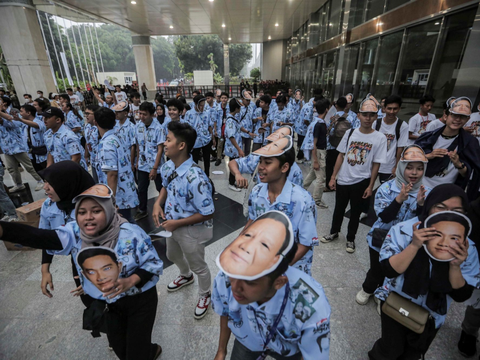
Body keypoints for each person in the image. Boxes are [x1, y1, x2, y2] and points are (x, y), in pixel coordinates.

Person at [0, 184, 164, 360]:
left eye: (96, 211)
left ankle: (147, 352)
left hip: (139, 301)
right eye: (82, 212)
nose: (88, 218)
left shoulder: (131, 234)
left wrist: (130, 281)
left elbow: (153, 263)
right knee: (120, 349)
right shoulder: (75, 232)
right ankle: (150, 351)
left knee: (135, 353)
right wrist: (4, 230)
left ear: (109, 211)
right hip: (108, 304)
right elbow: (42, 237)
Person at [368, 185, 480, 359]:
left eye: (456, 210)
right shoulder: (405, 230)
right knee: (389, 349)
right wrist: (414, 245)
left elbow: (461, 295)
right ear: (429, 206)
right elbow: (388, 270)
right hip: (395, 302)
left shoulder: (467, 247)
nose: (448, 214)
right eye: (441, 207)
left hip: (431, 315)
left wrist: (456, 265)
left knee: (413, 353)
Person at [212, 211, 331, 360]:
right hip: (247, 341)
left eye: (250, 280)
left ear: (278, 282)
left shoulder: (312, 306)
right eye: (235, 273)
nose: (235, 287)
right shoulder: (225, 276)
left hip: (289, 350)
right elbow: (226, 312)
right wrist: (221, 350)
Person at [152, 121, 214, 319]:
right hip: (171, 224)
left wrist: (177, 224)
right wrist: (157, 203)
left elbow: (208, 212)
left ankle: (205, 294)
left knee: (199, 266)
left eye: (168, 140)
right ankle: (185, 275)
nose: (165, 143)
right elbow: (165, 186)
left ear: (181, 145)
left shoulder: (196, 178)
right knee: (172, 254)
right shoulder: (168, 166)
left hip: (190, 229)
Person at [356, 145, 430, 310]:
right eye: (409, 167)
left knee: (393, 271)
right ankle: (367, 289)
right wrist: (398, 200)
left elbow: (423, 221)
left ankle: (382, 294)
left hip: (405, 243)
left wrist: (420, 205)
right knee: (376, 268)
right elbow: (383, 216)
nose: (414, 172)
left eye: (419, 168)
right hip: (380, 238)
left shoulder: (426, 192)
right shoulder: (387, 188)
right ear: (402, 167)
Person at [322, 96, 388, 253]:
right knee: (338, 208)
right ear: (358, 115)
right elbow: (341, 155)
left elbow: (376, 164)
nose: (368, 118)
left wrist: (371, 185)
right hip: (344, 179)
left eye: (371, 115)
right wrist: (333, 177)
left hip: (362, 181)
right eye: (365, 114)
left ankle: (350, 238)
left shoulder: (379, 138)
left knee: (355, 212)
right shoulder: (350, 133)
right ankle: (334, 232)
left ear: (376, 116)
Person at [247, 137, 318, 275]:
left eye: (267, 163)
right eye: (260, 161)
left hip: (291, 269)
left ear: (284, 167)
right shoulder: (256, 192)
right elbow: (252, 220)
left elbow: (305, 243)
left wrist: (277, 270)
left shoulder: (303, 200)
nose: (260, 167)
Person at [37, 161, 95, 301]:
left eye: (51, 183)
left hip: (101, 261)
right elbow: (47, 238)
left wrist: (95, 277)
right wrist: (45, 270)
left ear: (66, 184)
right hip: (78, 261)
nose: (45, 188)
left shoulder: (95, 206)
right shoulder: (49, 205)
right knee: (89, 301)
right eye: (45, 182)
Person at [416, 97, 480, 200]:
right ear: (446, 116)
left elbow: (470, 174)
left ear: (468, 119)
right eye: (454, 115)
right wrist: (428, 155)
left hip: (445, 194)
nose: (457, 120)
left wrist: (458, 164)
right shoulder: (428, 136)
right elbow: (409, 160)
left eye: (462, 117)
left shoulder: (469, 143)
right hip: (419, 189)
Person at [95, 107, 139, 223]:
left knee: (124, 223)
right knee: (127, 221)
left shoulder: (107, 144)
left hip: (118, 195)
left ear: (96, 122)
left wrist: (111, 200)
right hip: (123, 191)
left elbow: (112, 173)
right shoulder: (115, 137)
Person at [0, 98, 44, 192]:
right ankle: (19, 184)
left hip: (17, 146)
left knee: (29, 166)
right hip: (7, 147)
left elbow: (9, 119)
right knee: (11, 168)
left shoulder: (13, 114)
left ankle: (40, 180)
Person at [134, 102, 165, 221]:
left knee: (160, 187)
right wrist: (137, 161)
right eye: (140, 113)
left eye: (144, 114)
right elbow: (138, 144)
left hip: (156, 165)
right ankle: (142, 210)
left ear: (152, 115)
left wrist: (155, 168)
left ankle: (164, 206)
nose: (141, 116)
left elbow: (160, 149)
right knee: (142, 188)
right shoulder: (138, 126)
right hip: (142, 164)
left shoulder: (158, 128)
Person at [373, 95, 409, 183]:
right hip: (373, 163)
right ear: (384, 108)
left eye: (395, 109)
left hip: (388, 166)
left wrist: (396, 167)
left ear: (399, 109)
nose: (392, 112)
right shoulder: (376, 123)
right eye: (389, 108)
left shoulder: (402, 126)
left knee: (385, 190)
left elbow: (400, 148)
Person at [303, 100, 330, 209]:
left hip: (318, 152)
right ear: (327, 109)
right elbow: (313, 144)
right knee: (321, 178)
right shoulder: (319, 125)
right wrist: (315, 160)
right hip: (319, 152)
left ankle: (301, 189)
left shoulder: (316, 122)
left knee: (312, 174)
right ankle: (317, 200)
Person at [225, 98, 254, 191]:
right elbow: (231, 136)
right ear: (236, 108)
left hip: (236, 148)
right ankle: (231, 183)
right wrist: (239, 149)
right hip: (233, 149)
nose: (241, 109)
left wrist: (248, 132)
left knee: (235, 164)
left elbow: (239, 126)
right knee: (233, 164)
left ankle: (234, 181)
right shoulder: (230, 121)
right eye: (239, 107)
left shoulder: (234, 118)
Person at [184, 95, 214, 177]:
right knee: (194, 160)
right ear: (195, 104)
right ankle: (195, 176)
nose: (202, 107)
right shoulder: (189, 114)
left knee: (207, 159)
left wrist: (213, 138)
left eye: (203, 105)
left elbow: (209, 126)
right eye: (200, 105)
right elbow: (186, 129)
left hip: (206, 140)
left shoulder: (206, 113)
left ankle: (207, 176)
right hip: (195, 142)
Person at [14, 104, 48, 173]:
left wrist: (20, 119)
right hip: (32, 155)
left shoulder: (38, 121)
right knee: (40, 173)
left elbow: (37, 125)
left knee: (48, 173)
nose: (20, 114)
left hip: (42, 155)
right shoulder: (25, 124)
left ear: (29, 113)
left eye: (21, 111)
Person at [83, 105, 100, 183]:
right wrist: (86, 156)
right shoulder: (87, 126)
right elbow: (87, 141)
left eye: (88, 113)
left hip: (101, 160)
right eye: (85, 113)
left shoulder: (100, 127)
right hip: (93, 160)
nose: (86, 115)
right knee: (96, 182)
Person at [214, 92, 230, 165]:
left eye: (225, 98)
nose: (224, 99)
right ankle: (218, 158)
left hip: (228, 128)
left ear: (227, 99)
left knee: (228, 144)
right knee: (219, 144)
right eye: (222, 98)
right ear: (220, 99)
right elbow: (215, 120)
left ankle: (230, 158)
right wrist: (215, 130)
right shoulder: (217, 108)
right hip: (220, 129)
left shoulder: (229, 108)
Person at [239, 90, 255, 157]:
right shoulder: (239, 109)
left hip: (249, 132)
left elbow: (252, 119)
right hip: (241, 132)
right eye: (246, 100)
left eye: (249, 100)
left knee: (248, 150)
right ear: (242, 99)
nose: (248, 102)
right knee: (240, 149)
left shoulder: (251, 108)